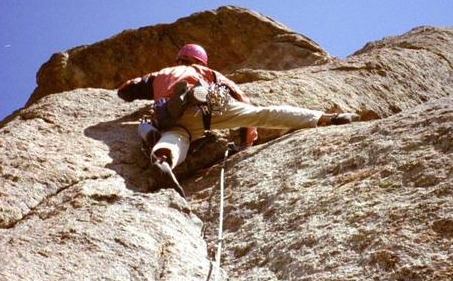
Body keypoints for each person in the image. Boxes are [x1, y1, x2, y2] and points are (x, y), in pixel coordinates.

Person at [117, 43, 359, 196]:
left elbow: (127, 90)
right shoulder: (209, 72)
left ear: (180, 59)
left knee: (177, 137)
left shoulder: (161, 74)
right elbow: (240, 97)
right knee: (263, 114)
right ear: (201, 61)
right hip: (208, 105)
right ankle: (326, 119)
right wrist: (246, 139)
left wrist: (140, 91)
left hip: (171, 114)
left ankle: (163, 158)